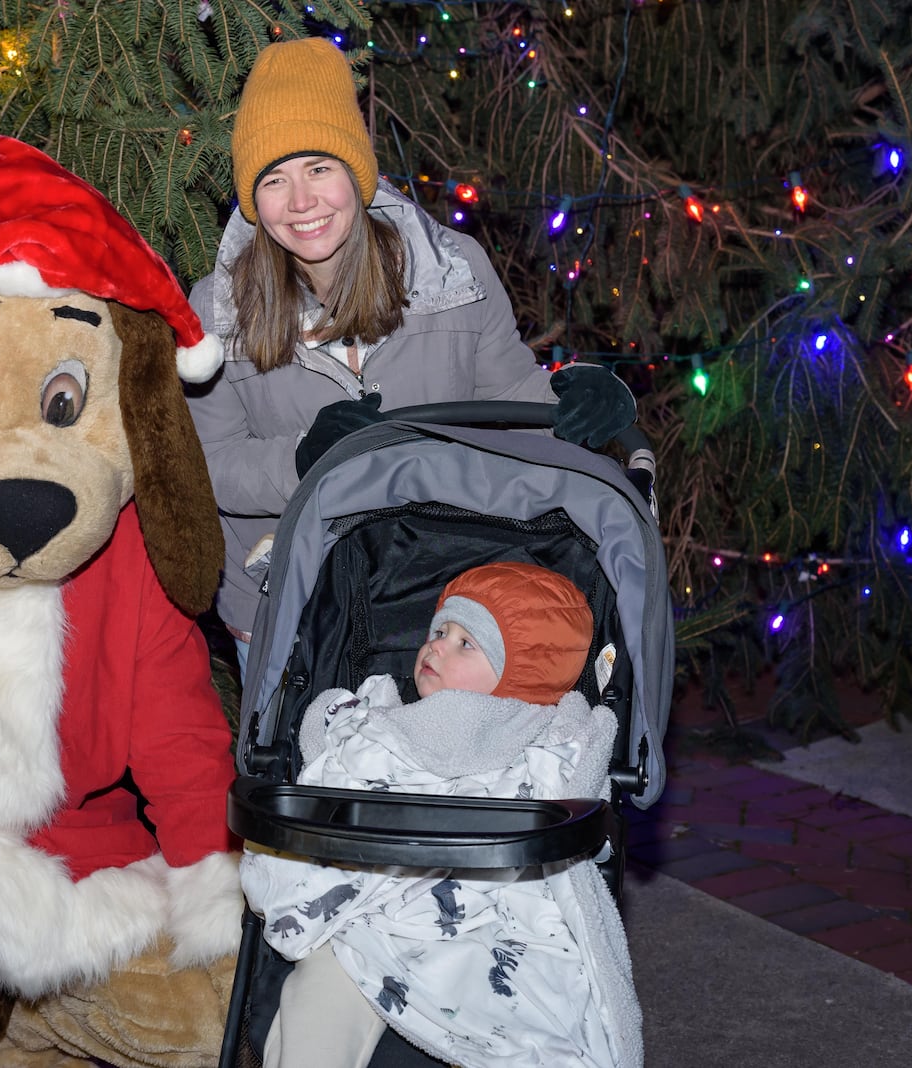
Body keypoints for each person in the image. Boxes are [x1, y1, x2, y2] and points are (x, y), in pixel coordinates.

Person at [186, 38, 636, 677]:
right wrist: (301, 460)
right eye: (274, 180)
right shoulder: (219, 311)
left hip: (431, 600)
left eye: (320, 168)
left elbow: (513, 405)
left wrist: (587, 396)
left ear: (356, 172)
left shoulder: (449, 276)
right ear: (252, 200)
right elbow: (209, 467)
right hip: (287, 604)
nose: (301, 202)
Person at [239, 561, 643, 1068]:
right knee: (317, 1007)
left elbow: (582, 799)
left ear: (517, 672)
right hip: (366, 918)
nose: (437, 647)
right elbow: (330, 759)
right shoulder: (381, 718)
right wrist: (338, 726)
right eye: (439, 631)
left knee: (523, 1011)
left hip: (486, 926)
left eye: (465, 643)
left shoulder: (545, 744)